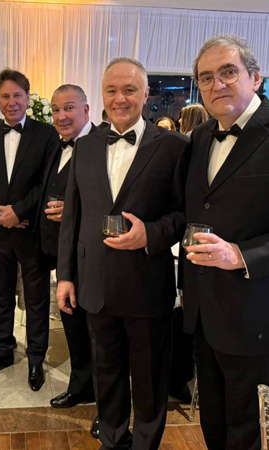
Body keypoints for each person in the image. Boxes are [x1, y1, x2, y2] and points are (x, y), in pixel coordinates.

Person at [57, 57, 189, 449]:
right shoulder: (85, 146)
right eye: (112, 90)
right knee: (107, 372)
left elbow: (183, 214)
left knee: (149, 377)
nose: (120, 98)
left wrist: (150, 233)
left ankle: (146, 444)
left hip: (147, 283)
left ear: (145, 94)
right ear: (102, 95)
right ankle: (113, 439)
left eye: (129, 90)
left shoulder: (174, 147)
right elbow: (72, 217)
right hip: (95, 283)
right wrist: (65, 276)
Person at [183, 34, 269, 450]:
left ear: (255, 77)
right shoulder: (200, 137)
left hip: (257, 316)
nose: (216, 84)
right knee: (214, 421)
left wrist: (241, 255)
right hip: (204, 311)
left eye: (228, 72)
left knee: (249, 428)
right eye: (206, 77)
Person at [0, 68, 59, 391]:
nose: (12, 102)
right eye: (5, 96)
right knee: (0, 293)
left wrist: (19, 212)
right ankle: (3, 350)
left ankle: (36, 357)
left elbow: (47, 183)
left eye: (17, 95)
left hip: (30, 230)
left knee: (36, 297)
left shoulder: (46, 134)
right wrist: (1, 214)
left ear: (28, 96)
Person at [36, 84, 99, 436]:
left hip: (92, 256)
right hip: (62, 256)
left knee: (98, 333)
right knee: (73, 324)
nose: (61, 116)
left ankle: (108, 401)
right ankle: (81, 385)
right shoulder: (55, 146)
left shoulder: (101, 144)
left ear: (86, 110)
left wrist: (74, 210)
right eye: (56, 109)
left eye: (69, 108)